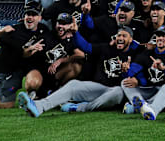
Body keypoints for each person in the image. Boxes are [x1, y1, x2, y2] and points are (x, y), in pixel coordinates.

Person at [15, 26, 143, 117]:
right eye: (118, 35)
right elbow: (86, 47)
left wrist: (126, 72)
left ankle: (80, 107)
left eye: (124, 36)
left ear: (131, 40)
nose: (120, 38)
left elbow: (136, 76)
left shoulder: (135, 55)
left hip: (117, 92)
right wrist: (76, 32)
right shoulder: (106, 48)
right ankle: (39, 106)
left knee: (118, 91)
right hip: (99, 88)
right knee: (73, 84)